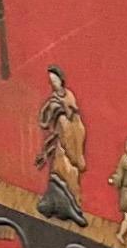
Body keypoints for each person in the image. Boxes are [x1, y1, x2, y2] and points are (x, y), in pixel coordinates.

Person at [35, 65, 88, 224]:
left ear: (61, 79)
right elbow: (45, 120)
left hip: (72, 137)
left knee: (72, 174)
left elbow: (75, 117)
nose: (54, 83)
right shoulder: (53, 101)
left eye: (55, 80)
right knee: (61, 171)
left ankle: (74, 207)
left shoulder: (69, 95)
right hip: (61, 143)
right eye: (51, 81)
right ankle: (60, 206)